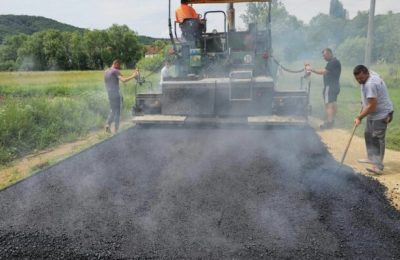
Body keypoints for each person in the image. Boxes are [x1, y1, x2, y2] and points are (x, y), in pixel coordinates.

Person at [353, 65, 394, 175]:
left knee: (377, 138)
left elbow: (372, 106)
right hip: (373, 113)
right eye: (357, 79)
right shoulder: (371, 74)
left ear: (366, 73)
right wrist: (360, 114)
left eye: (361, 78)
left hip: (381, 114)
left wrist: (359, 117)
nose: (359, 81)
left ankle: (378, 166)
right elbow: (368, 104)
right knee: (368, 134)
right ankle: (371, 158)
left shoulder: (370, 84)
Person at [306, 48, 341, 129]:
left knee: (328, 105)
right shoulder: (336, 61)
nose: (323, 57)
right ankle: (332, 121)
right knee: (333, 103)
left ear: (329, 53)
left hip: (329, 86)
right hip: (336, 86)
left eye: (324, 55)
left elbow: (323, 72)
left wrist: (311, 69)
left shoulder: (332, 62)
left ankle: (329, 123)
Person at [104, 59, 139, 133]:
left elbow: (117, 78)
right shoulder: (115, 71)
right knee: (117, 112)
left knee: (112, 110)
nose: (119, 68)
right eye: (119, 66)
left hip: (109, 93)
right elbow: (123, 79)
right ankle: (116, 130)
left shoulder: (106, 71)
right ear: (116, 64)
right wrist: (133, 76)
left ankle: (107, 124)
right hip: (116, 94)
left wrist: (133, 73)